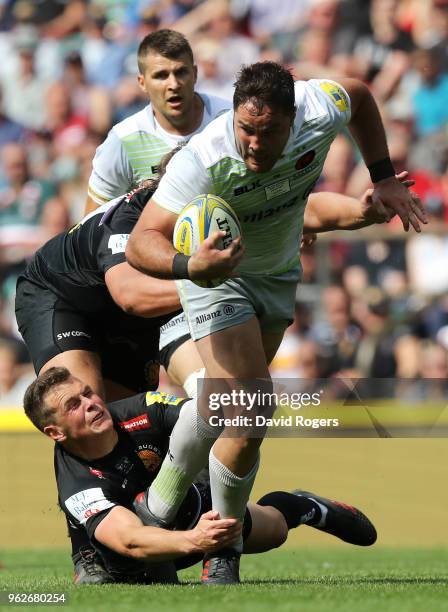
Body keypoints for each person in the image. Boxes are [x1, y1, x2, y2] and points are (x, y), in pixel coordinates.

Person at [125, 61, 427, 583]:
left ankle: (158, 506)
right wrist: (192, 266)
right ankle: (223, 547)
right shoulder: (204, 157)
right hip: (216, 278)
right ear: (235, 117)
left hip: (278, 275)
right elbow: (140, 242)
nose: (256, 144)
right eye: (247, 128)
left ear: (294, 117)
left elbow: (358, 93)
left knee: (226, 409)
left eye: (269, 132)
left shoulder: (321, 107)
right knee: (251, 406)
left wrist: (381, 179)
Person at [23, 367, 377, 584]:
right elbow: (130, 539)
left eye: (87, 393)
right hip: (156, 549)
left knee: (277, 531)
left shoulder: (144, 409)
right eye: (74, 405)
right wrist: (197, 541)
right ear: (55, 433)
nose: (90, 403)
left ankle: (305, 507)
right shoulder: (77, 484)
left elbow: (207, 420)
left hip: (196, 507)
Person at [84, 28, 230, 215]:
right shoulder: (123, 141)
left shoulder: (227, 121)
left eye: (181, 72)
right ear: (142, 82)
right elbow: (90, 228)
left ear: (195, 74)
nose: (174, 84)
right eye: (161, 75)